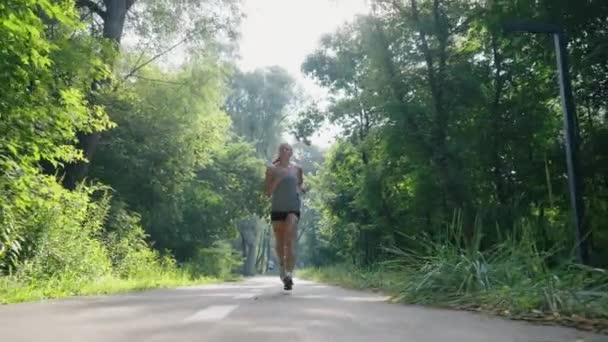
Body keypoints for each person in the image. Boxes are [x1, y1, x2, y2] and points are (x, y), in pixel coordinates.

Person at [264, 143, 305, 290]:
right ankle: (282, 266)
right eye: (282, 148)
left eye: (288, 149)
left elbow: (299, 186)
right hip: (277, 209)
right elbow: (267, 193)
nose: (285, 150)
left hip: (293, 208)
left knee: (290, 239)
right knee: (280, 244)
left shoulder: (297, 169)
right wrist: (277, 180)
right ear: (279, 152)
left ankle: (289, 274)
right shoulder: (272, 170)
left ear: (291, 153)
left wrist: (302, 189)